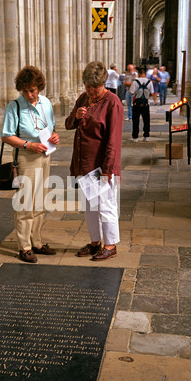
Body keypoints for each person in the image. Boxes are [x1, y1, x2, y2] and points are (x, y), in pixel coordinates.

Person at [65, 61, 123, 261]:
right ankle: (95, 242)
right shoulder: (83, 99)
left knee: (105, 205)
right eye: (87, 86)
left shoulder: (112, 102)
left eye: (94, 87)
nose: (90, 91)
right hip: (83, 163)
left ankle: (110, 244)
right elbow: (68, 125)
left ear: (103, 83)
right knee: (89, 205)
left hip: (101, 165)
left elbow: (114, 139)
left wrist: (108, 169)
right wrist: (77, 116)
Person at [1, 66, 60, 263]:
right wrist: (29, 144)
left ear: (40, 87)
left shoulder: (46, 103)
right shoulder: (15, 106)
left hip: (45, 156)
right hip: (26, 158)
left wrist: (55, 136)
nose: (29, 94)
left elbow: (51, 127)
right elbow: (7, 136)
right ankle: (24, 247)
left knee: (41, 202)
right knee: (25, 203)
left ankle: (37, 242)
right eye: (25, 90)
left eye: (32, 90)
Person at [129, 68, 154, 142]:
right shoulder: (149, 82)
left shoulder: (135, 82)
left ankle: (135, 137)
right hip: (146, 104)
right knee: (146, 120)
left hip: (137, 104)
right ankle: (146, 136)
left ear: (139, 74)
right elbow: (152, 93)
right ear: (145, 74)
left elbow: (131, 92)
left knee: (136, 120)